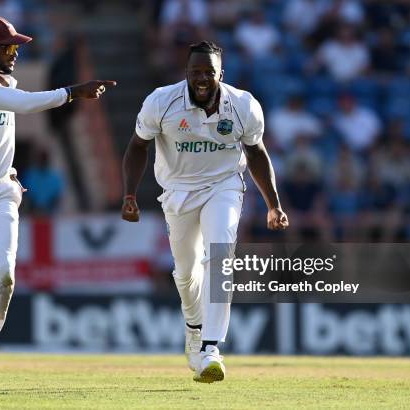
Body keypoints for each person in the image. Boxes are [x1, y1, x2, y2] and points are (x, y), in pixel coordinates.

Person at [0, 16, 115, 385]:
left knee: (4, 273)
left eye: (16, 46)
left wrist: (8, 171)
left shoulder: (7, 80)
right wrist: (72, 92)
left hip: (0, 190)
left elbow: (1, 132)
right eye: (8, 47)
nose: (15, 53)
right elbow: (23, 104)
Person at [121, 41, 288, 383]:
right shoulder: (161, 101)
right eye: (195, 72)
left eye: (208, 72)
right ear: (186, 73)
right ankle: (194, 328)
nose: (201, 78)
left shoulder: (243, 104)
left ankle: (211, 348)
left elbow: (256, 154)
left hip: (223, 186)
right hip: (177, 192)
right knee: (184, 274)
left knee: (220, 256)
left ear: (220, 74)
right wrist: (129, 194)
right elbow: (138, 146)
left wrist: (274, 204)